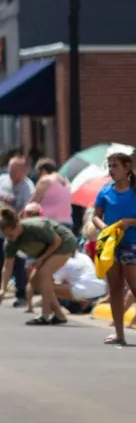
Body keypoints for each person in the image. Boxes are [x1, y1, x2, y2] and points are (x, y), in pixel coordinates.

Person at [86, 148, 136, 346]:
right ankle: (119, 333)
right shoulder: (105, 191)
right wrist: (105, 228)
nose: (112, 170)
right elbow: (96, 216)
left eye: (115, 166)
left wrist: (129, 222)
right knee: (115, 288)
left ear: (127, 168)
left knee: (133, 286)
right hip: (110, 244)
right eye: (110, 166)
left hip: (132, 243)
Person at [0, 206, 77, 325]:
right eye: (7, 235)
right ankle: (59, 314)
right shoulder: (10, 242)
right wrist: (2, 289)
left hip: (64, 243)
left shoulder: (36, 227)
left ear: (17, 225)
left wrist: (41, 259)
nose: (10, 238)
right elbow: (7, 266)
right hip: (47, 250)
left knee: (44, 274)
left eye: (11, 234)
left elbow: (57, 241)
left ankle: (45, 314)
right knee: (35, 280)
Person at [0, 154, 33, 303]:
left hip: (13, 233)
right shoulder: (1, 180)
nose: (11, 172)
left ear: (24, 171)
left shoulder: (28, 187)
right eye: (10, 169)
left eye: (15, 170)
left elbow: (27, 209)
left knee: (17, 262)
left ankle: (20, 293)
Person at [29, 158, 73, 230]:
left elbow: (33, 203)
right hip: (68, 224)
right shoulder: (66, 182)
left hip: (51, 224)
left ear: (43, 171)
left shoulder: (45, 180)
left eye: (38, 173)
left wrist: (19, 216)